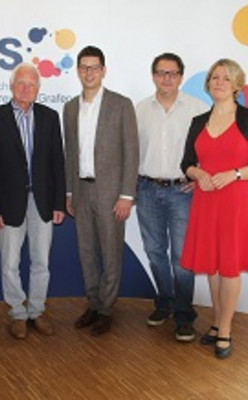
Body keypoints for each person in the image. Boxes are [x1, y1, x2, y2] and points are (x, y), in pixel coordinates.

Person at [0, 63, 66, 339]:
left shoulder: (50, 117)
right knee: (10, 262)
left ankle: (37, 311)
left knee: (41, 261)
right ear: (11, 86)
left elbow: (57, 162)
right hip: (7, 204)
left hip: (42, 202)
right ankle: (18, 313)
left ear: (38, 88)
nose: (26, 89)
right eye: (21, 83)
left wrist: (58, 203)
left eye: (32, 84)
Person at [63, 46, 139, 336]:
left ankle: (107, 309)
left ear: (103, 70)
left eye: (94, 67)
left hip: (111, 193)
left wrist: (126, 195)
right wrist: (70, 192)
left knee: (110, 253)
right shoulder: (70, 108)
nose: (89, 72)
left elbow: (131, 152)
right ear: (78, 71)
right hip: (81, 191)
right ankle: (93, 304)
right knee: (86, 252)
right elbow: (70, 154)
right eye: (84, 67)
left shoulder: (121, 105)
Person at [135, 53, 208, 342]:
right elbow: (131, 153)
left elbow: (210, 149)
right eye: (162, 73)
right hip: (146, 189)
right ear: (153, 76)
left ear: (181, 76)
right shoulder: (140, 110)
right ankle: (165, 303)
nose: (167, 78)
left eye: (173, 73)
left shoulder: (198, 109)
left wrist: (199, 176)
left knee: (182, 258)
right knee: (154, 252)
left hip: (182, 192)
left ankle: (185, 315)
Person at [181, 59, 248, 358]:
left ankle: (225, 330)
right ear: (208, 83)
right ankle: (218, 322)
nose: (219, 82)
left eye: (226, 78)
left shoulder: (246, 118)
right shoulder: (198, 121)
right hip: (206, 200)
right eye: (215, 77)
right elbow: (186, 163)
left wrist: (235, 174)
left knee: (229, 266)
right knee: (212, 265)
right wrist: (198, 174)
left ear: (236, 86)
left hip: (236, 201)